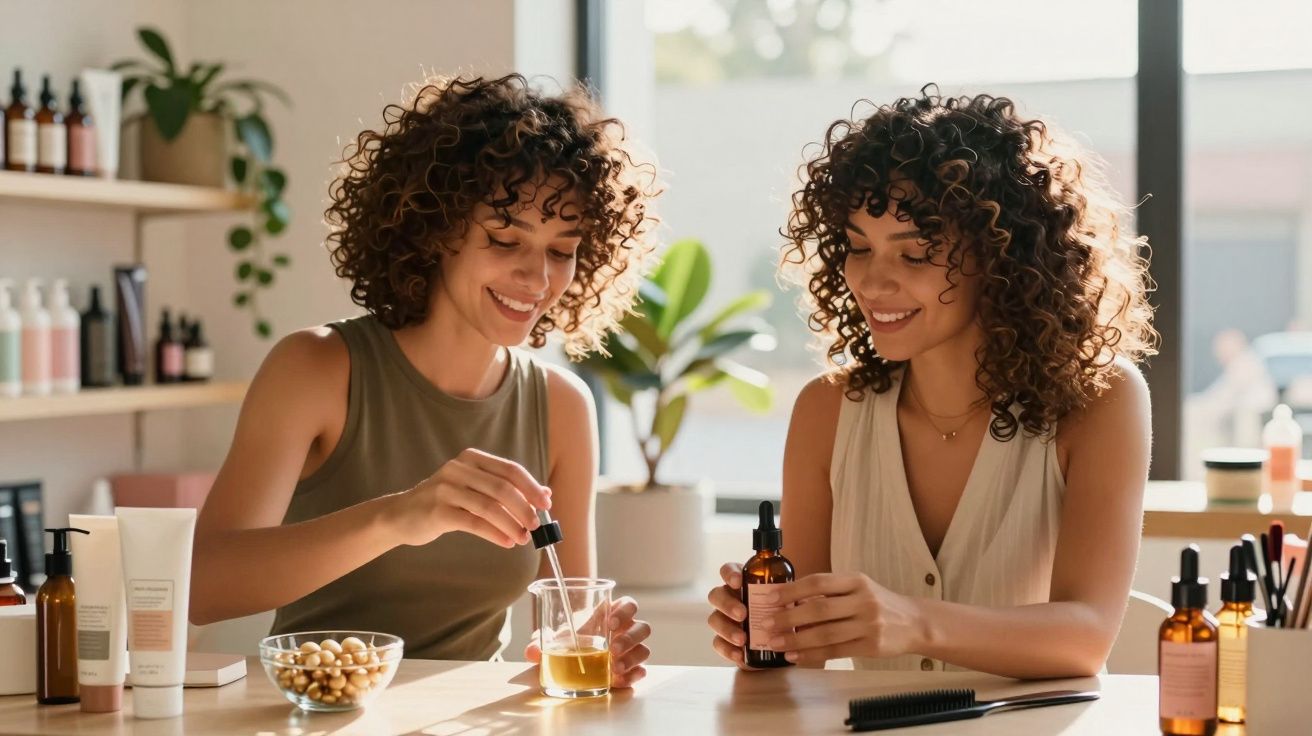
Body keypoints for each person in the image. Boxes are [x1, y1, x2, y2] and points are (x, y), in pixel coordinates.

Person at [191, 74, 657, 687]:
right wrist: (398, 518)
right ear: (436, 228)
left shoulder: (561, 406)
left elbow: (566, 623)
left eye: (562, 250)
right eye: (504, 238)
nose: (536, 277)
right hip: (319, 711)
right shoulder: (316, 368)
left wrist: (598, 643)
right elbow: (201, 586)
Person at [707, 87, 1157, 678]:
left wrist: (912, 621)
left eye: (915, 254)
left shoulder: (1099, 401)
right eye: (858, 247)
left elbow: (1085, 637)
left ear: (1001, 258)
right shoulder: (826, 410)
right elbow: (803, 646)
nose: (871, 280)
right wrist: (761, 633)